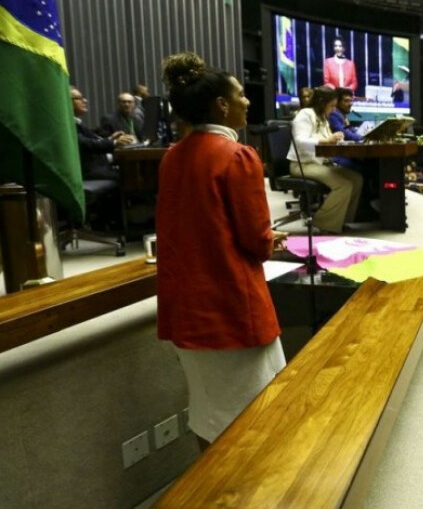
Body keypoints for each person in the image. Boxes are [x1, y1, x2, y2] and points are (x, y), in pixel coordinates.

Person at [155, 52, 288, 449]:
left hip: (185, 308)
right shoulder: (238, 156)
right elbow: (254, 240)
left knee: (208, 411)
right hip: (230, 307)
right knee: (256, 414)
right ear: (222, 105)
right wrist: (269, 240)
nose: (248, 102)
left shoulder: (172, 156)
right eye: (242, 95)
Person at [287, 86, 364, 234]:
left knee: (357, 179)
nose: (333, 110)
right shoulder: (305, 114)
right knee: (344, 185)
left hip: (318, 163)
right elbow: (299, 141)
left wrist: (337, 140)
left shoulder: (322, 117)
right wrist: (325, 140)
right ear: (322, 102)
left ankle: (341, 221)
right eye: (332, 106)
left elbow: (327, 141)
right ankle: (322, 224)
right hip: (302, 165)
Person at [72, 86, 135, 181]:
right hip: (90, 169)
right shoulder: (68, 124)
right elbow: (85, 144)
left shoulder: (77, 122)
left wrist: (110, 138)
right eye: (78, 98)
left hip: (101, 164)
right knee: (130, 177)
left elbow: (92, 138)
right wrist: (114, 143)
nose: (85, 101)